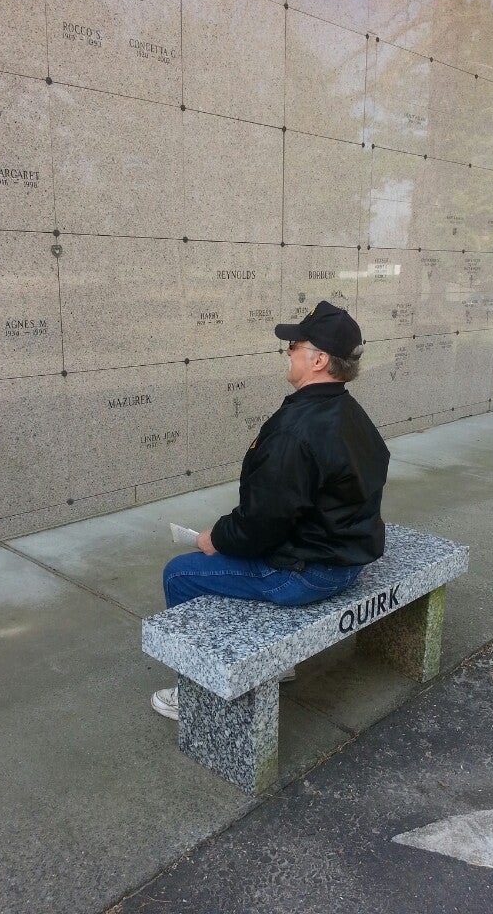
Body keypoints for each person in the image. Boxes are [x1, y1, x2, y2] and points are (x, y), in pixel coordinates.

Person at [151, 301, 390, 719]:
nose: (288, 351)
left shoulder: (297, 430)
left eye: (295, 344)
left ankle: (199, 694)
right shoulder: (349, 411)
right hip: (349, 558)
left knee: (181, 573)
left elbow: (263, 523)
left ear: (318, 360)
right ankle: (273, 665)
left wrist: (216, 538)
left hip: (311, 573)